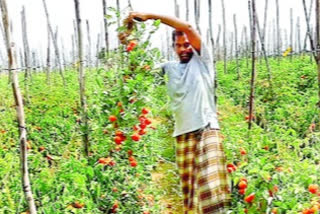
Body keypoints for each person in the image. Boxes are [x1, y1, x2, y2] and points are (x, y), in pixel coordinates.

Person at [124, 12, 231, 214]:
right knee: (191, 194)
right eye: (179, 46)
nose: (184, 49)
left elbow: (189, 28)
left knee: (210, 189)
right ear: (173, 48)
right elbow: (139, 70)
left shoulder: (203, 62)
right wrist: (128, 40)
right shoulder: (169, 68)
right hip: (182, 135)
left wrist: (150, 16)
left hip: (206, 130)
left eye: (187, 45)